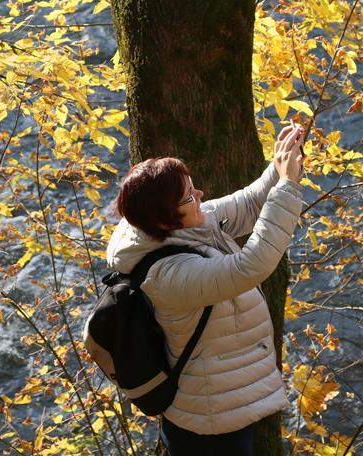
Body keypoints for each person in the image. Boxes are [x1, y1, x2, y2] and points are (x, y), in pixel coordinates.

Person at [106, 124, 306, 455]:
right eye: (189, 196)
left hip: (223, 402)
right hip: (208, 425)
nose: (200, 196)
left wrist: (281, 163)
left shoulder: (177, 227)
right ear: (166, 219)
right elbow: (250, 266)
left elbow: (250, 203)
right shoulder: (166, 275)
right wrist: (286, 187)